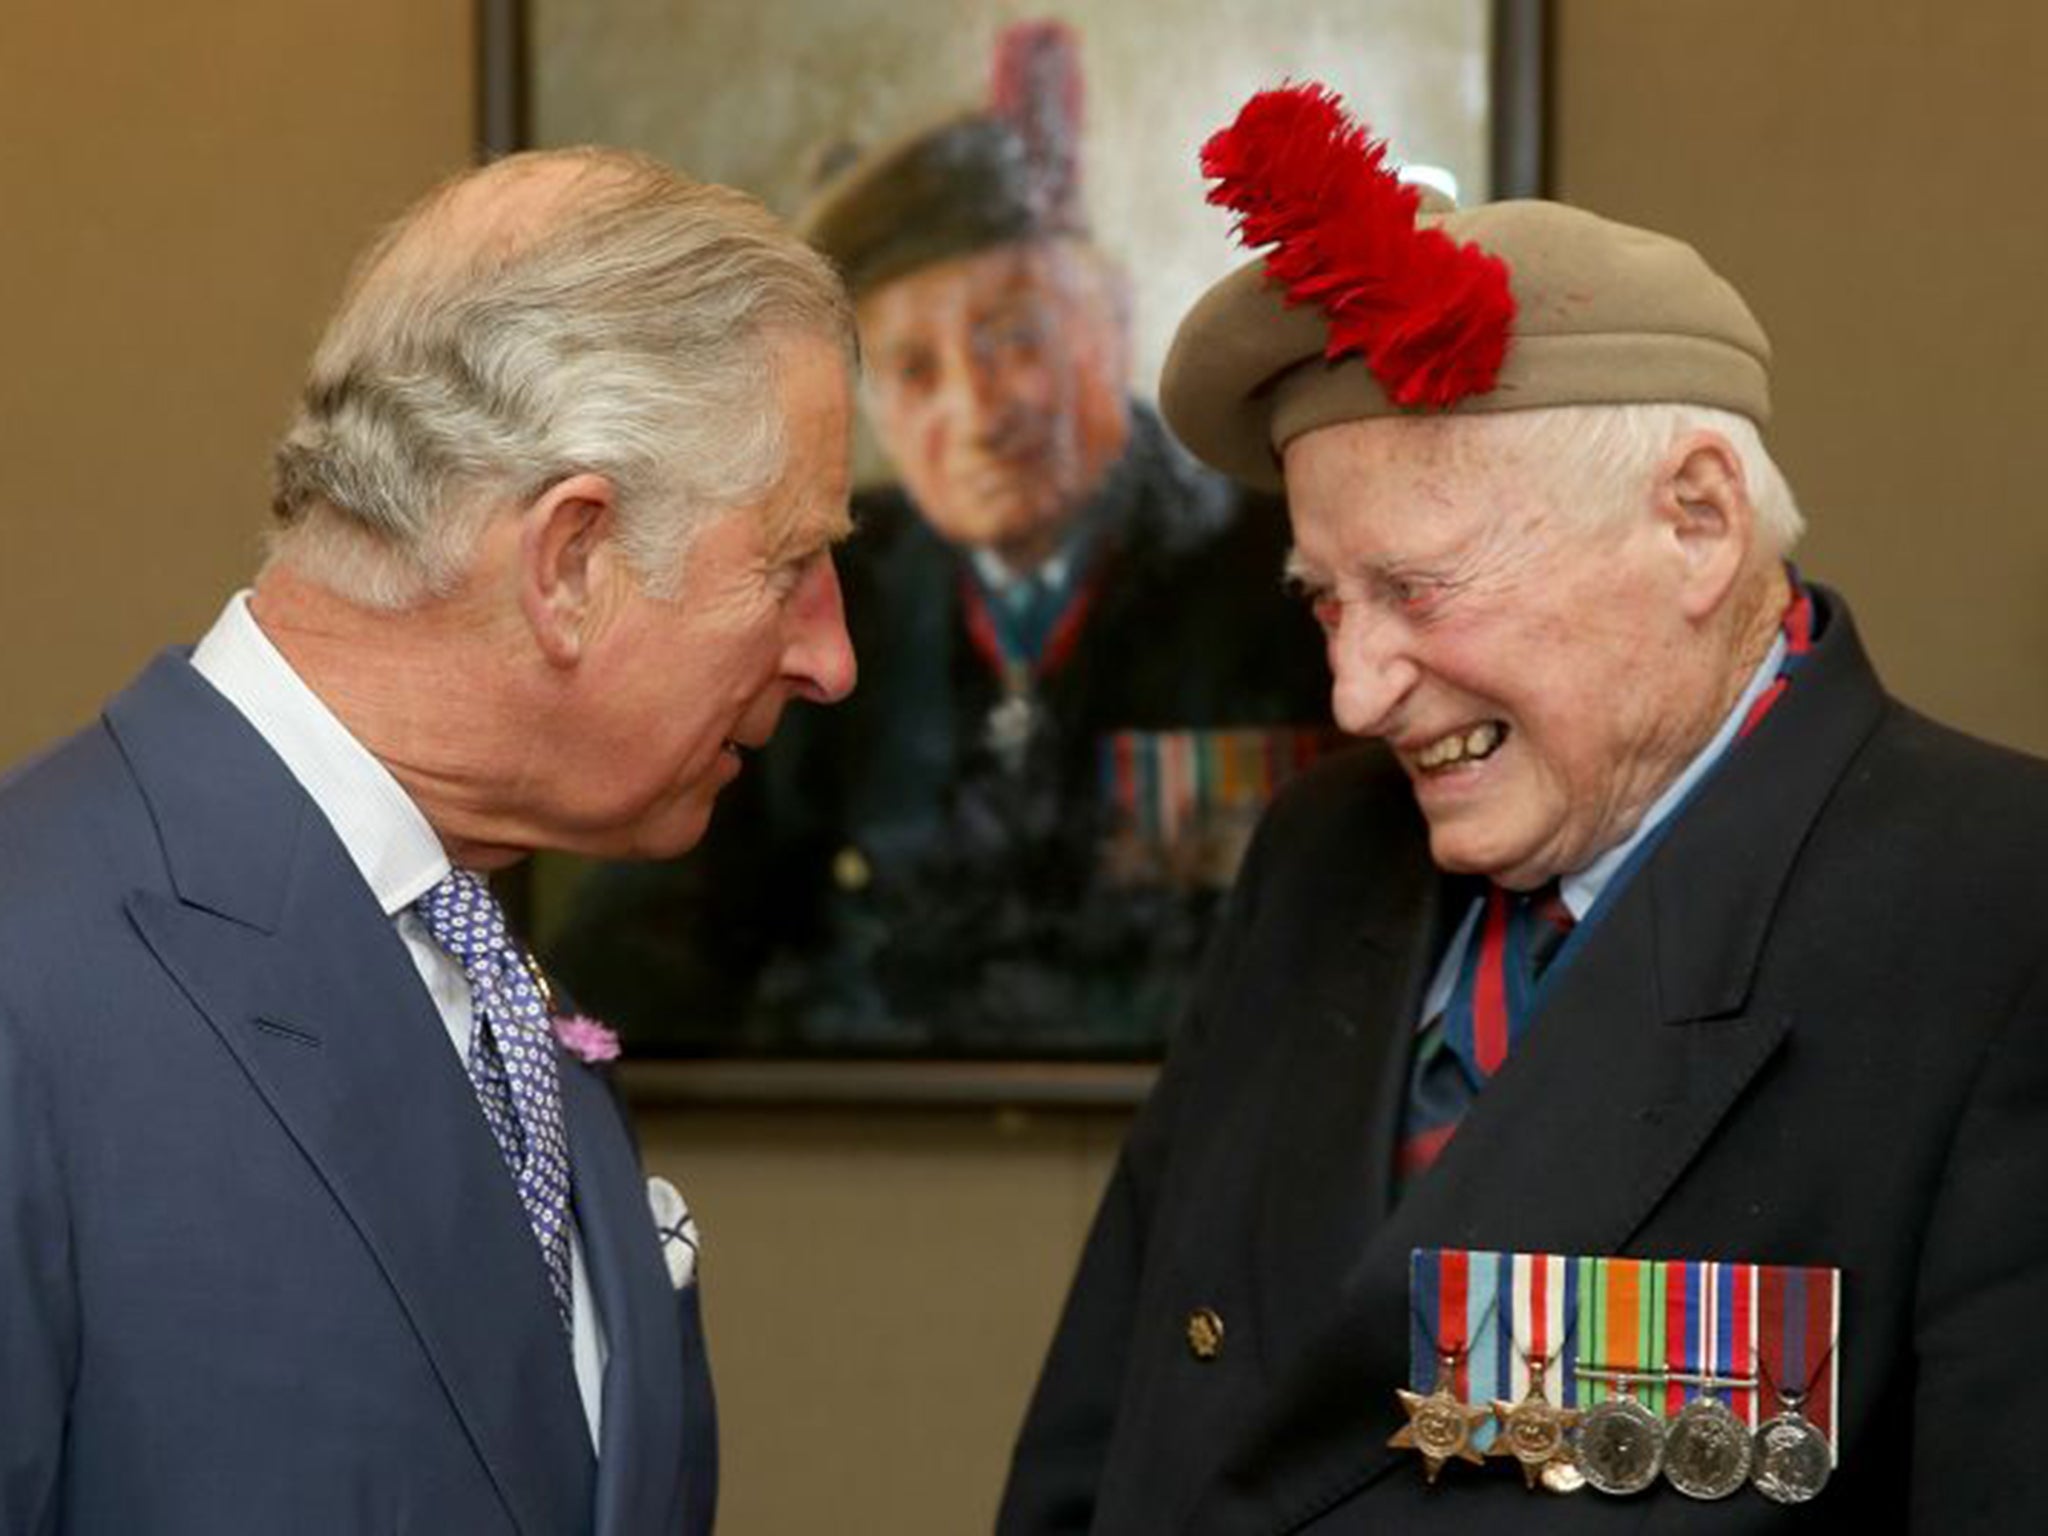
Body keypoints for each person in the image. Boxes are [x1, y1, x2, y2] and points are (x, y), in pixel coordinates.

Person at [996, 84, 2048, 1532]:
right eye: (1325, 602)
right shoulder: (1318, 856)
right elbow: (1107, 1438)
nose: (1358, 691)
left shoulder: (1999, 912)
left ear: (1696, 524)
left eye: (1418, 591)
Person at [0, 147, 857, 1534]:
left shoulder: (487, 972)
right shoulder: (32, 985)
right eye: (790, 563)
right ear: (570, 560)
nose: (831, 655)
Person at [546, 37, 1330, 1057]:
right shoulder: (819, 600)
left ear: (1108, 322)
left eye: (1014, 337)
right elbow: (647, 942)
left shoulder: (1281, 571)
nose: (975, 410)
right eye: (914, 369)